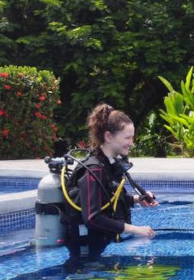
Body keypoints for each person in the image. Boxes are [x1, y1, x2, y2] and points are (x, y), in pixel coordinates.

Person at [64, 104, 157, 265]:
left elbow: (107, 200)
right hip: (88, 258)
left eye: (132, 137)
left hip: (106, 248)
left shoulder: (109, 165)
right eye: (127, 137)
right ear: (108, 137)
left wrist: (136, 199)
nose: (131, 142)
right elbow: (93, 218)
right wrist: (134, 229)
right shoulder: (93, 170)